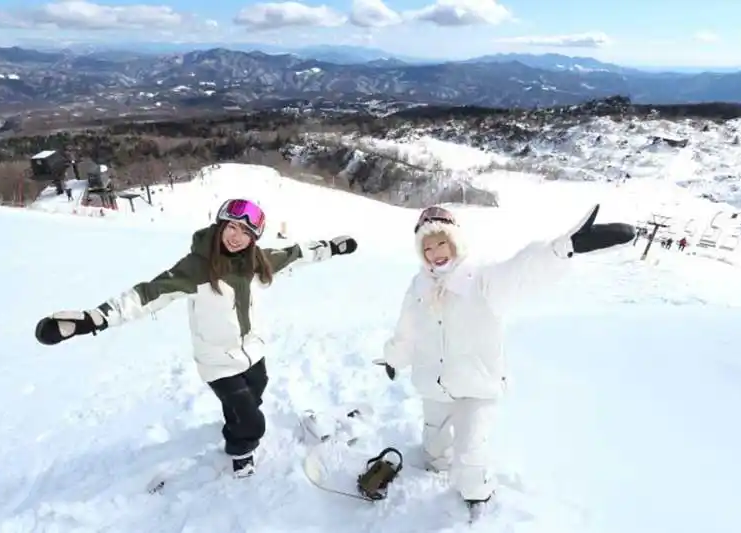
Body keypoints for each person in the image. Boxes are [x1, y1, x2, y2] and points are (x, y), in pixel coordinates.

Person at [34, 198, 358, 478]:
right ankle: (240, 450)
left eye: (246, 232)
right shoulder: (197, 268)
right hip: (217, 362)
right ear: (220, 225)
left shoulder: (256, 263)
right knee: (253, 423)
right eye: (232, 227)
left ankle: (236, 422)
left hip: (252, 353)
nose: (236, 236)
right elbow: (147, 294)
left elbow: (295, 254)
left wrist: (332, 247)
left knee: (254, 394)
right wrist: (95, 318)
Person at [375, 204, 634, 513]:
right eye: (427, 247)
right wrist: (395, 356)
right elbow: (408, 327)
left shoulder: (481, 278)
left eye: (441, 242)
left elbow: (521, 271)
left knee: (471, 453)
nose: (435, 252)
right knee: (434, 443)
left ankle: (478, 501)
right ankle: (434, 469)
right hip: (433, 382)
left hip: (477, 383)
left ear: (455, 241)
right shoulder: (419, 285)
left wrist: (563, 248)